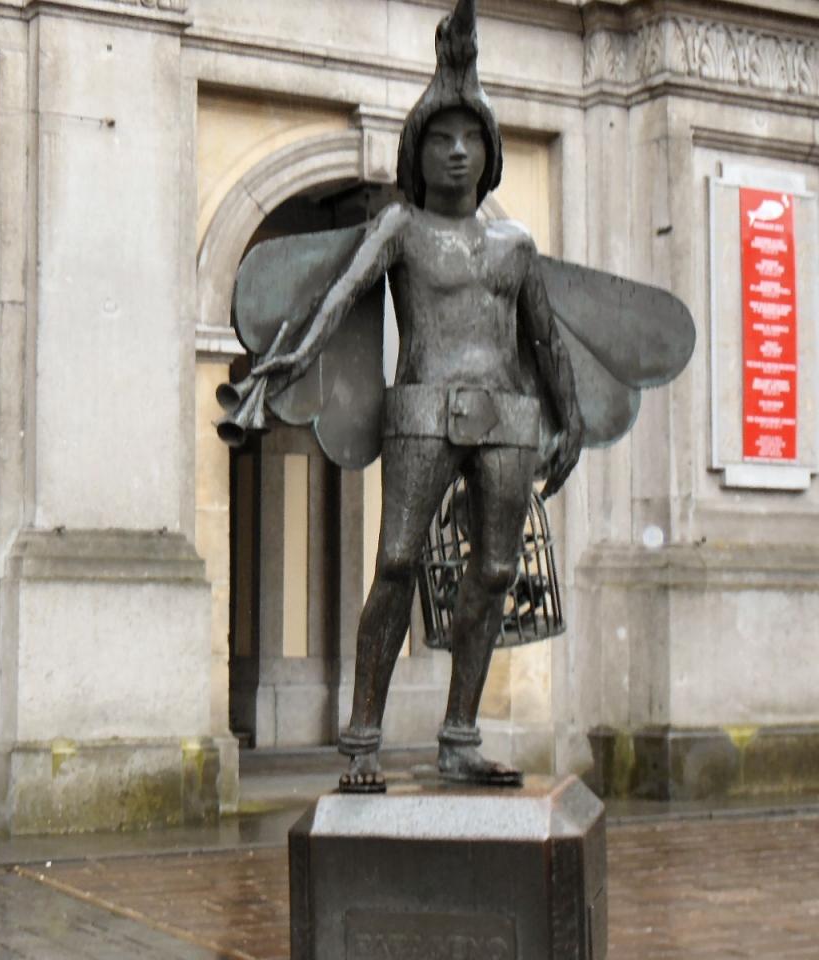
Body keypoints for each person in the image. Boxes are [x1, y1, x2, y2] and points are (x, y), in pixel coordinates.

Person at [241, 0, 583, 789]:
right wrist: (285, 362)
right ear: (416, 153)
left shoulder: (516, 245)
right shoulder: (400, 228)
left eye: (470, 139)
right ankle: (363, 741)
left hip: (507, 419)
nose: (457, 151)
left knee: (495, 571)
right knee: (396, 561)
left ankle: (459, 737)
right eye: (441, 139)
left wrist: (569, 419)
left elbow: (545, 339)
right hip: (422, 410)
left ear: (489, 154)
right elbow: (337, 300)